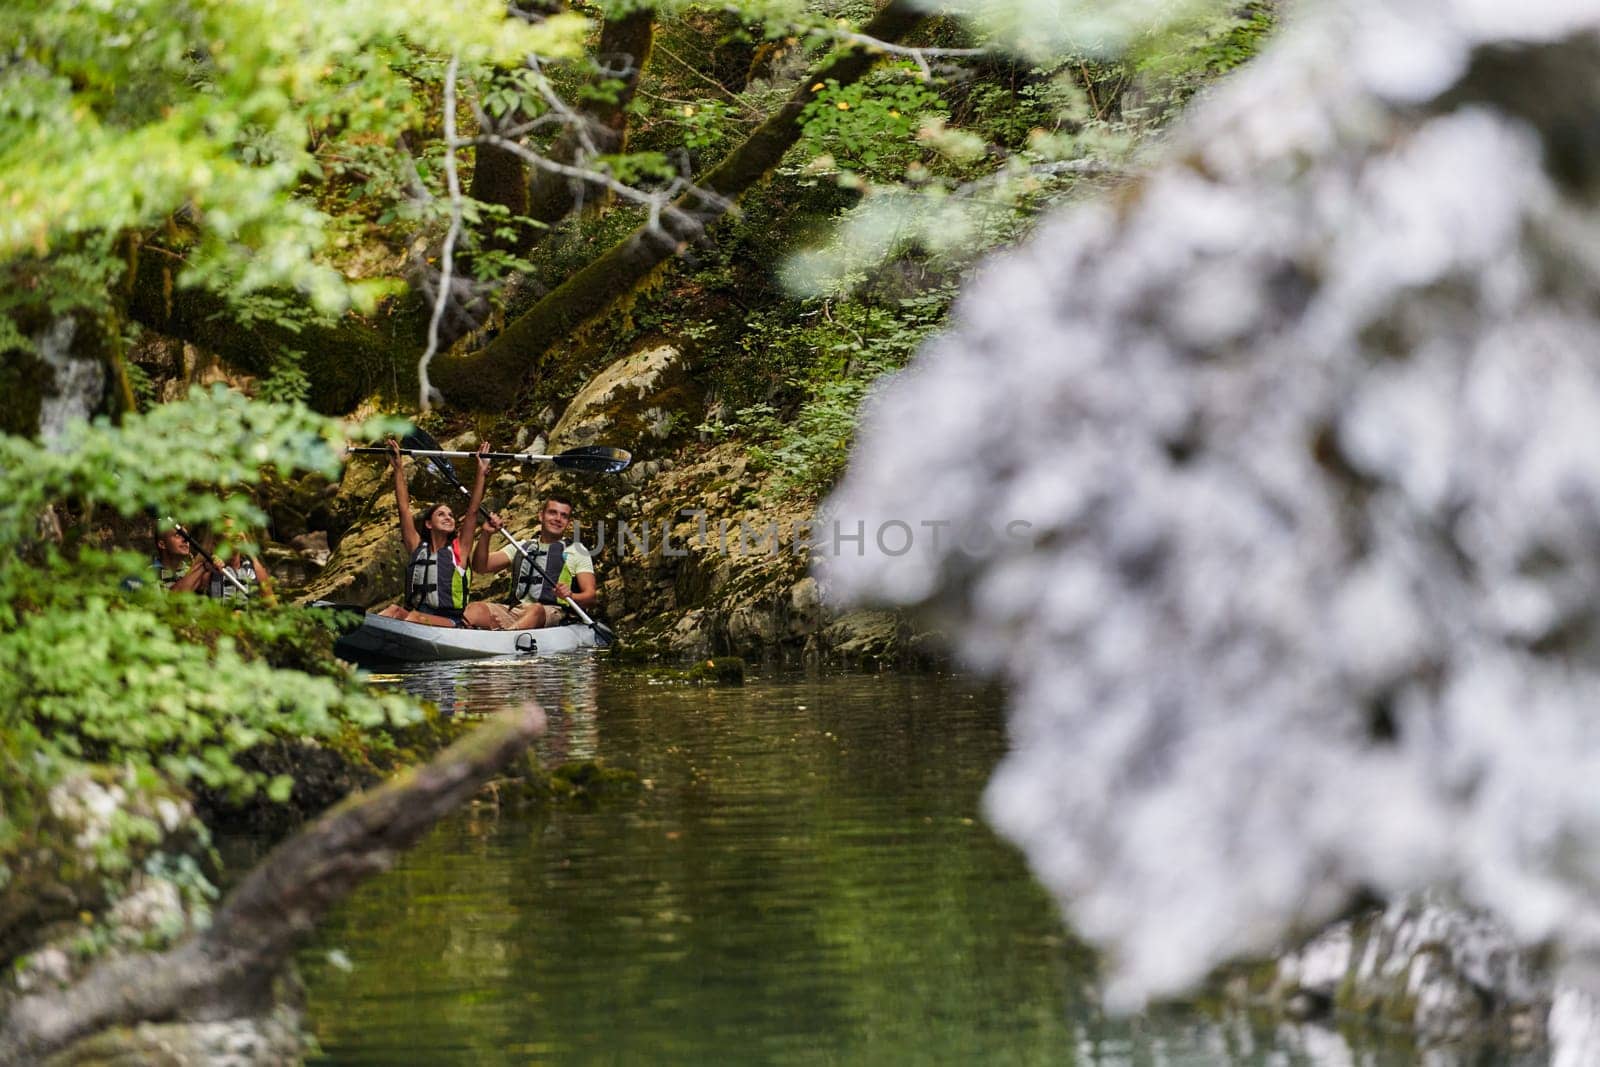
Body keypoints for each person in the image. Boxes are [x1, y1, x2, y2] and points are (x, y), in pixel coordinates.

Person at [378, 438, 487, 627]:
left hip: (450, 621)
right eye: (441, 514)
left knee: (413, 618)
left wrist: (481, 472)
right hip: (418, 617)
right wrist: (398, 469)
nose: (448, 517)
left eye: (451, 515)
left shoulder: (459, 549)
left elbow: (473, 512)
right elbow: (403, 508)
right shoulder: (417, 547)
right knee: (393, 611)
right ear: (428, 524)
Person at [464, 493, 598, 630]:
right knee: (475, 609)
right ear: (541, 516)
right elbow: (480, 566)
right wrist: (486, 533)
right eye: (552, 513)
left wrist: (571, 595)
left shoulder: (576, 550)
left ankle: (506, 637)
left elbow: (591, 596)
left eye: (564, 516)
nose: (558, 519)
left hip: (553, 613)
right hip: (517, 610)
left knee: (536, 610)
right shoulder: (521, 546)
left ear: (568, 523)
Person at [150, 523, 211, 594]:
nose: (185, 539)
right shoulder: (150, 574)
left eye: (186, 536)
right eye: (177, 535)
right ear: (162, 544)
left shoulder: (190, 570)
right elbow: (167, 602)